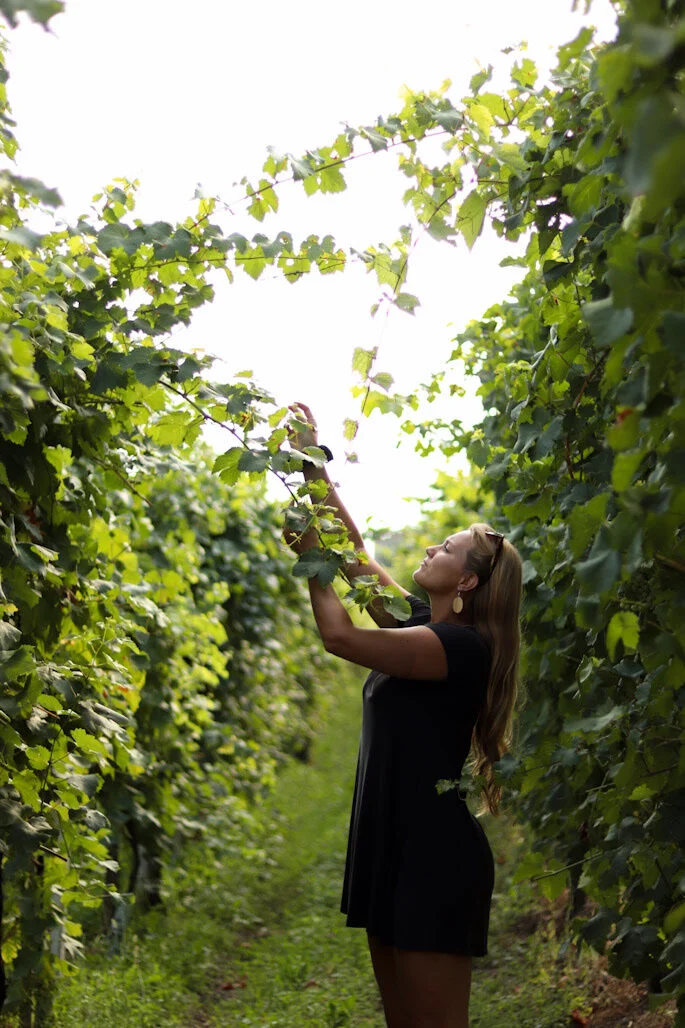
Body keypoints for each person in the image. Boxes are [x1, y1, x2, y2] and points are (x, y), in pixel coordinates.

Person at [283, 403, 523, 1028]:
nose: (430, 546)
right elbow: (356, 551)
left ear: (466, 583)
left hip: (433, 857)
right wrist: (312, 463)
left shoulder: (458, 648)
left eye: (447, 547)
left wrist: (312, 563)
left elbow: (338, 635)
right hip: (393, 843)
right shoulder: (422, 621)